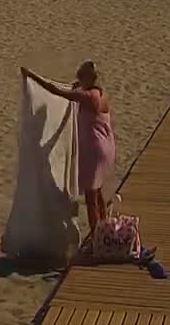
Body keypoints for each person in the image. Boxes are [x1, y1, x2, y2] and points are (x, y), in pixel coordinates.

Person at [23, 63, 116, 232]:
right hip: (107, 146)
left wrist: (33, 77)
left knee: (91, 197)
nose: (78, 81)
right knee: (98, 191)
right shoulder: (101, 93)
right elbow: (80, 90)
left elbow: (57, 91)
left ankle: (96, 236)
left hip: (94, 149)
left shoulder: (88, 97)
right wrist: (79, 85)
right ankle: (105, 229)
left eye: (81, 78)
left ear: (88, 78)